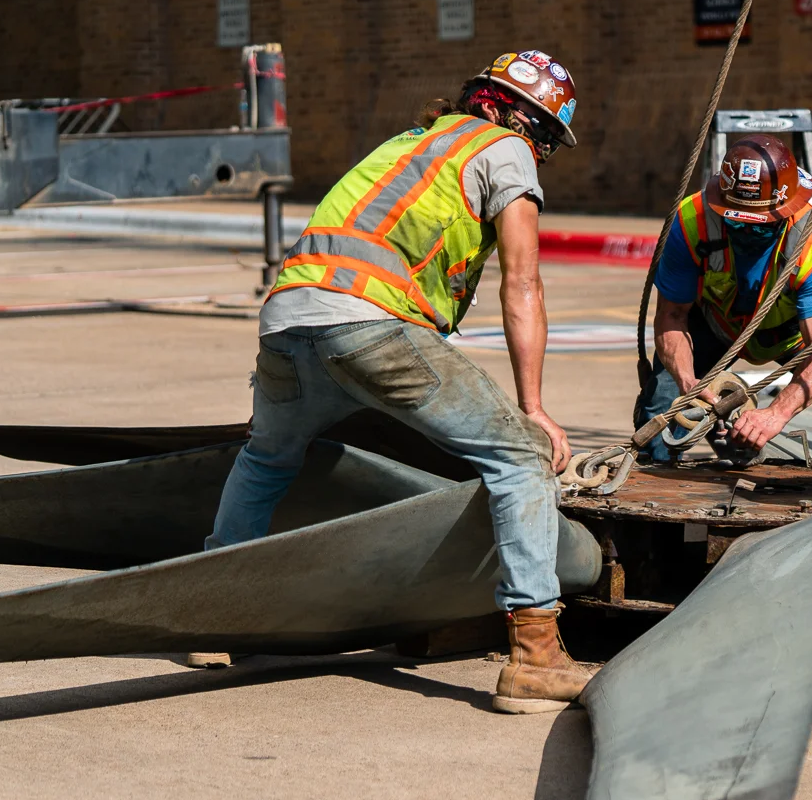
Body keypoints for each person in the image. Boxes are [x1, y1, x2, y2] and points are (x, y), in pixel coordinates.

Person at [199, 50, 591, 715]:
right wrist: (535, 410)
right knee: (520, 456)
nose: (543, 152)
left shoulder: (410, 143)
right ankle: (535, 655)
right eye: (547, 136)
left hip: (287, 317)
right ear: (520, 118)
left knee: (267, 457)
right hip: (372, 322)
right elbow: (522, 284)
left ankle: (209, 618)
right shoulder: (504, 150)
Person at [633, 134, 812, 465]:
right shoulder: (691, 222)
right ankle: (650, 491)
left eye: (761, 225)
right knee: (660, 407)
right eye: (737, 221)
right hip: (716, 324)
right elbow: (672, 315)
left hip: (795, 333)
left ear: (786, 210)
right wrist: (688, 382)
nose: (747, 231)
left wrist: (775, 415)